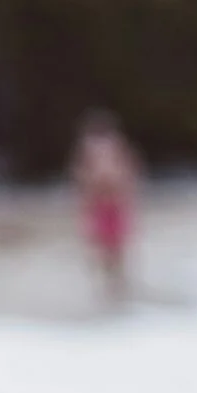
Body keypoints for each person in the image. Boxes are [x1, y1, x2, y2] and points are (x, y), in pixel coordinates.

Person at [70, 109, 142, 301]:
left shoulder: (115, 145)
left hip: (113, 202)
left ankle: (116, 283)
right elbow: (82, 174)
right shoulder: (90, 148)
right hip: (101, 202)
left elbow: (128, 170)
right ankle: (111, 284)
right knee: (105, 246)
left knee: (115, 246)